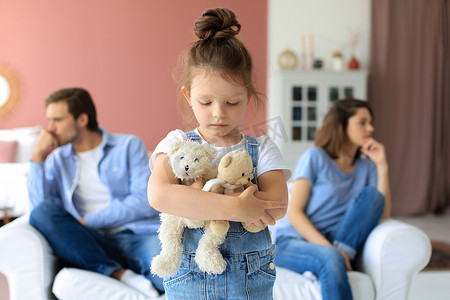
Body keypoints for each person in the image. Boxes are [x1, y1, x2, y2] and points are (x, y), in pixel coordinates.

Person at [147, 8, 291, 300]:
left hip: (250, 279)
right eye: (205, 101)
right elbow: (160, 196)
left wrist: (196, 200)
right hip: (188, 277)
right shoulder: (176, 143)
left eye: (232, 102)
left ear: (248, 97)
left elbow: (276, 206)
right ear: (189, 96)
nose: (218, 113)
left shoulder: (262, 148)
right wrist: (239, 208)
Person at [28, 88, 163, 298]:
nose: (50, 129)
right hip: (91, 242)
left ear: (82, 119)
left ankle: (117, 270)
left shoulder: (128, 145)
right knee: (42, 212)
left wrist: (86, 222)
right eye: (49, 120)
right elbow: (39, 210)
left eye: (57, 120)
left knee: (168, 278)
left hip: (137, 235)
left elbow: (143, 200)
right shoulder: (57, 159)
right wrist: (37, 157)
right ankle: (119, 274)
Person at [274, 98, 392, 300]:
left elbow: (383, 212)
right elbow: (294, 214)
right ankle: (335, 259)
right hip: (292, 242)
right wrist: (330, 251)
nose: (370, 128)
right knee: (330, 257)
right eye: (362, 122)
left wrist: (382, 166)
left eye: (370, 122)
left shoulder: (367, 168)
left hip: (337, 239)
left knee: (373, 196)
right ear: (341, 125)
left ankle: (336, 259)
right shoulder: (315, 157)